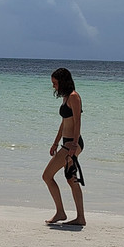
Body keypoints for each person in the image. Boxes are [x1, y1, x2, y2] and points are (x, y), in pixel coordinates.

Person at [42, 67, 86, 227]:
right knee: (71, 179)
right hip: (66, 143)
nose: (53, 86)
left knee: (47, 176)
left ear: (63, 82)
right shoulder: (66, 97)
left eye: (55, 83)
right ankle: (77, 216)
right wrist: (55, 143)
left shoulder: (74, 97)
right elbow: (64, 123)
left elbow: (77, 121)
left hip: (72, 144)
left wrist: (74, 145)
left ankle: (63, 212)